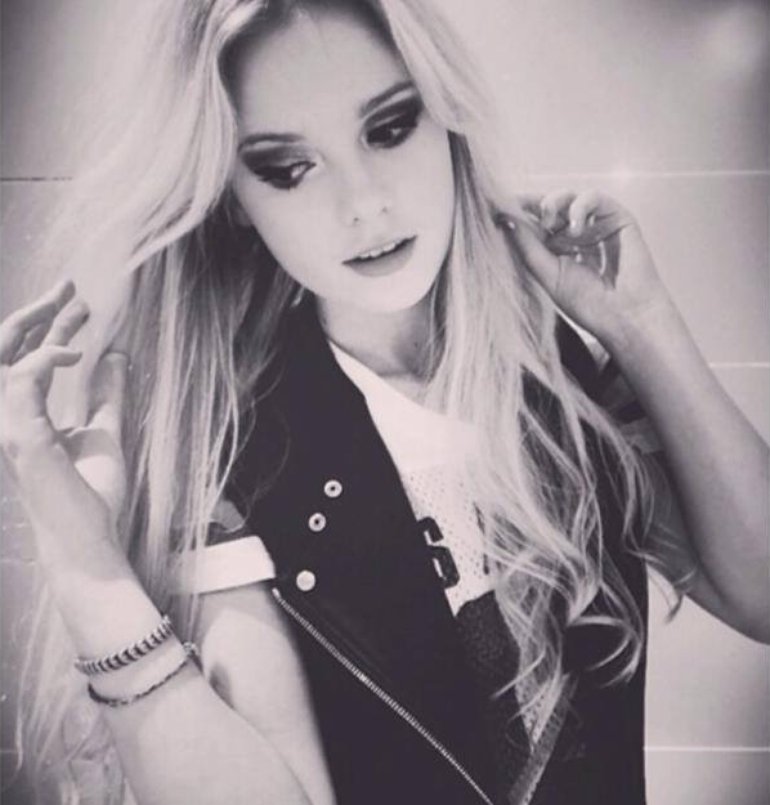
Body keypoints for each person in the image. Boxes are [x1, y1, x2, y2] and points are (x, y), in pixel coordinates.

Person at [2, 0, 768, 803]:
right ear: (231, 198)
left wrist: (640, 323)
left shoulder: (552, 367)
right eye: (289, 168)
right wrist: (90, 573)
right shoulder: (234, 454)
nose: (363, 202)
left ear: (446, 115)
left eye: (390, 127)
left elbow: (761, 593)